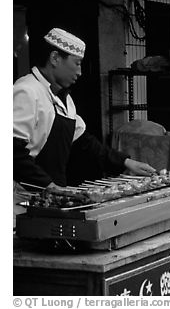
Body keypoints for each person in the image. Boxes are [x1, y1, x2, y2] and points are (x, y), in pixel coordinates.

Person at [13, 28, 156, 226]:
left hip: (50, 200)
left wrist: (126, 163)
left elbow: (85, 142)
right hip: (20, 201)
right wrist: (49, 186)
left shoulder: (65, 99)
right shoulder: (26, 91)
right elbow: (13, 152)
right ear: (55, 58)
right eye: (76, 63)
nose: (80, 72)